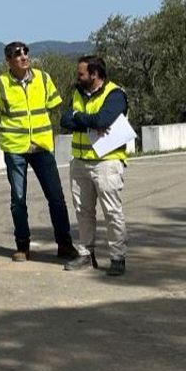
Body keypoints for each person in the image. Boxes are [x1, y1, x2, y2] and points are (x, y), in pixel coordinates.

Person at [0, 41, 75, 262]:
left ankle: (64, 244)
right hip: (15, 148)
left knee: (56, 197)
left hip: (42, 146)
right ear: (8, 60)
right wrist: (7, 135)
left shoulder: (43, 78)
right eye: (18, 54)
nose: (24, 57)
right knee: (18, 199)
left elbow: (52, 107)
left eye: (26, 52)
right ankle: (22, 246)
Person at [61, 54, 129, 276]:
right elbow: (64, 120)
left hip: (107, 162)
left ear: (94, 74)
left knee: (112, 211)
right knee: (83, 212)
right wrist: (86, 121)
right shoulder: (77, 93)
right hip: (80, 161)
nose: (77, 78)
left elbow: (103, 120)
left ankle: (117, 257)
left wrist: (78, 117)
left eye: (81, 74)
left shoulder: (115, 95)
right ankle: (86, 254)